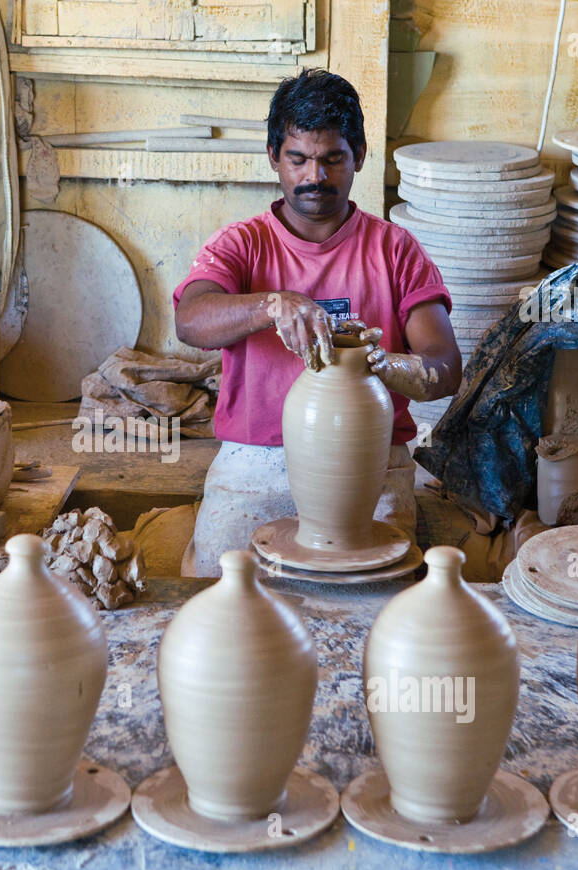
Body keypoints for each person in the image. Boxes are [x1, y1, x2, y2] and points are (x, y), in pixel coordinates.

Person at [174, 68, 461, 577]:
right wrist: (270, 305)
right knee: (217, 584)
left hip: (371, 461)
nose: (315, 177)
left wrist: (385, 366)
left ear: (359, 158)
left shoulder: (395, 249)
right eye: (298, 159)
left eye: (332, 159)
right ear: (273, 158)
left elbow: (444, 367)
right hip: (254, 457)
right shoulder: (241, 244)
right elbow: (190, 320)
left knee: (380, 590)